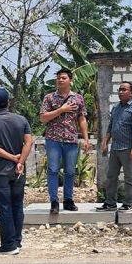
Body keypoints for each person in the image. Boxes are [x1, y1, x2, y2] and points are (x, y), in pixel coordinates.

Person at [0, 88, 33, 255]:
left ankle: (9, 245)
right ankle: (17, 240)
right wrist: (20, 161)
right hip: (19, 171)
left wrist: (12, 158)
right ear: (8, 102)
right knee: (18, 205)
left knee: (4, 208)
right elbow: (28, 142)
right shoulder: (21, 120)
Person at [40, 69, 90, 214]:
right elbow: (43, 118)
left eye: (63, 78)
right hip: (53, 139)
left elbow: (82, 118)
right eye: (58, 78)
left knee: (70, 171)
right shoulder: (49, 98)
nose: (60, 80)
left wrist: (86, 139)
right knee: (53, 170)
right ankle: (54, 202)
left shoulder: (78, 98)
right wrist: (62, 109)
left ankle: (68, 200)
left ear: (70, 80)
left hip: (71, 139)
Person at [97, 82, 132, 212]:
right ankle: (110, 203)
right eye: (119, 90)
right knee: (111, 176)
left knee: (129, 177)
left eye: (124, 90)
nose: (121, 92)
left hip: (128, 148)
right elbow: (111, 126)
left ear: (131, 92)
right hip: (115, 148)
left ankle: (127, 203)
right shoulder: (116, 108)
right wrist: (105, 141)